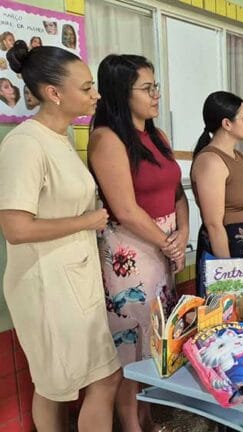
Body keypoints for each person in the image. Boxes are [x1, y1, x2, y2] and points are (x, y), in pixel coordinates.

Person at [0, 40, 121, 432]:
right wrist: (87, 221)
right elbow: (16, 228)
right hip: (46, 284)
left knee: (62, 383)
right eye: (85, 88)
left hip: (73, 279)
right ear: (54, 93)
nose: (95, 94)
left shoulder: (60, 138)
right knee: (74, 382)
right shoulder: (24, 144)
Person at [89, 54, 188, 432]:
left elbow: (177, 191)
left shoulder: (157, 136)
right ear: (121, 93)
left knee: (155, 339)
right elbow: (126, 210)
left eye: (155, 86)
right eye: (147, 88)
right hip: (130, 254)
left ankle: (147, 418)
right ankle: (131, 425)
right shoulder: (106, 139)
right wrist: (168, 243)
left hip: (163, 248)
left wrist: (182, 233)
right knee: (130, 343)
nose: (156, 94)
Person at [192, 91, 243, 295]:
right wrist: (228, 273)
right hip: (228, 247)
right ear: (226, 123)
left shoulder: (241, 158)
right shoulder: (210, 161)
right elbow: (214, 224)